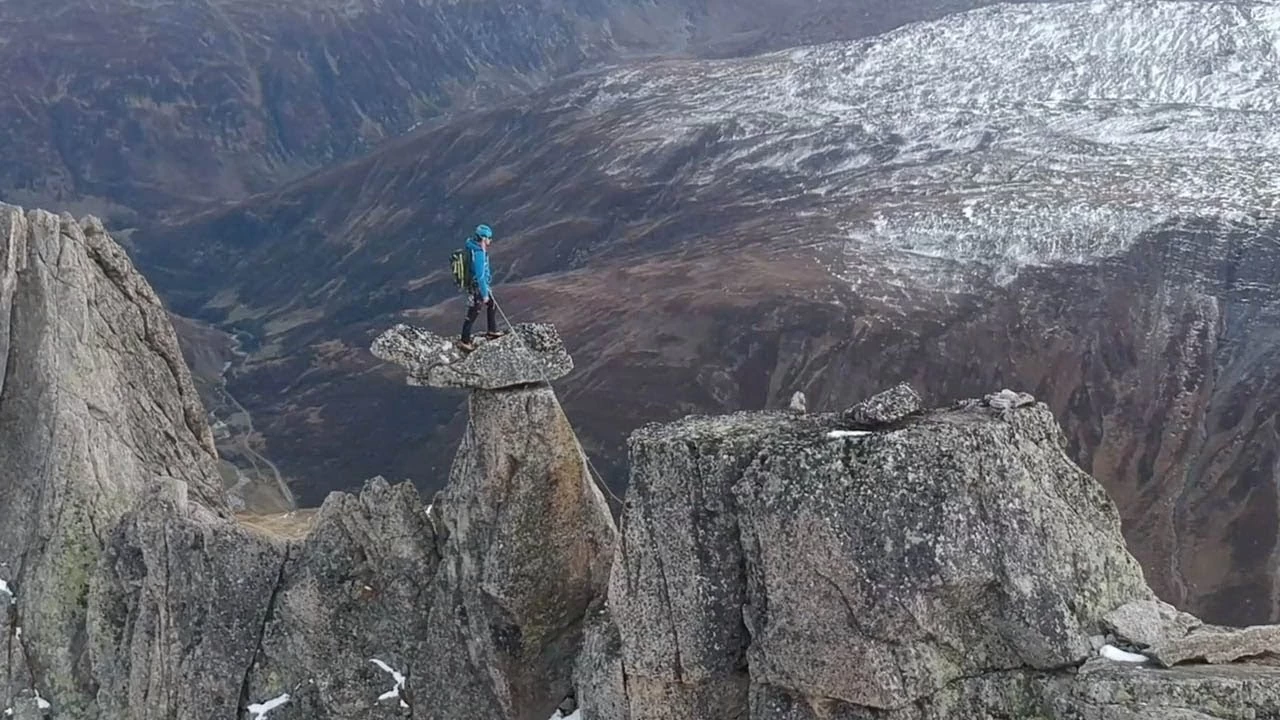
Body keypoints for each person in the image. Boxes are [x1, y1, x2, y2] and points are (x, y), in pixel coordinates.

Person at [458, 223, 505, 350]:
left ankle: (492, 330)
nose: (490, 240)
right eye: (489, 238)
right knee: (474, 311)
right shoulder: (478, 253)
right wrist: (484, 294)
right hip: (477, 287)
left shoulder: (472, 247)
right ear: (484, 238)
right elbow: (480, 275)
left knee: (492, 304)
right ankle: (464, 341)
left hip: (476, 286)